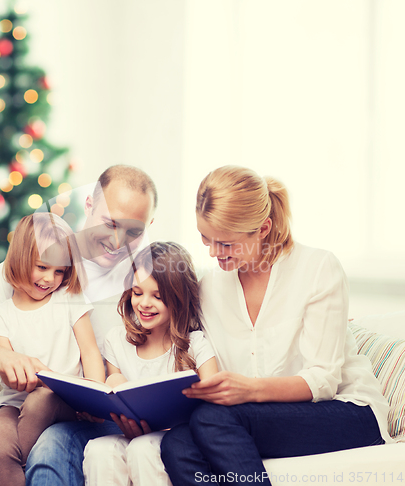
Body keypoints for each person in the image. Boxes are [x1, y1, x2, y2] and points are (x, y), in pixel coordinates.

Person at [160, 166, 392, 485]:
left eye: (226, 244)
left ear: (263, 228)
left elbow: (323, 380)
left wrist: (249, 389)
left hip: (347, 411)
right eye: (205, 239)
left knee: (213, 419)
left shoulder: (318, 268)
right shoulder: (210, 287)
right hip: (252, 418)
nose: (213, 253)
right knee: (177, 444)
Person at [0, 165, 157, 486]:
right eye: (110, 224)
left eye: (133, 231)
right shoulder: (28, 265)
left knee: (50, 447)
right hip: (20, 411)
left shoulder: (151, 282)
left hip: (94, 420)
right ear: (89, 204)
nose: (118, 240)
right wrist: (0, 355)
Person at [83, 242, 218, 486]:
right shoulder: (116, 340)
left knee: (144, 449)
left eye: (158, 296)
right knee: (99, 449)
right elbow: (116, 399)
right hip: (130, 434)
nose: (144, 303)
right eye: (137, 293)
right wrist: (113, 383)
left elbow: (214, 407)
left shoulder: (196, 344)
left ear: (178, 299)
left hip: (178, 438)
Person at [0, 213, 105, 486]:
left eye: (59, 271)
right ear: (20, 260)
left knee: (41, 400)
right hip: (14, 402)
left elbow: (90, 351)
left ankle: (25, 464)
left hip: (64, 400)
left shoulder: (69, 298)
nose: (50, 278)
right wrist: (34, 372)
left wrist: (94, 396)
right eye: (42, 267)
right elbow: (8, 371)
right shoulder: (1, 314)